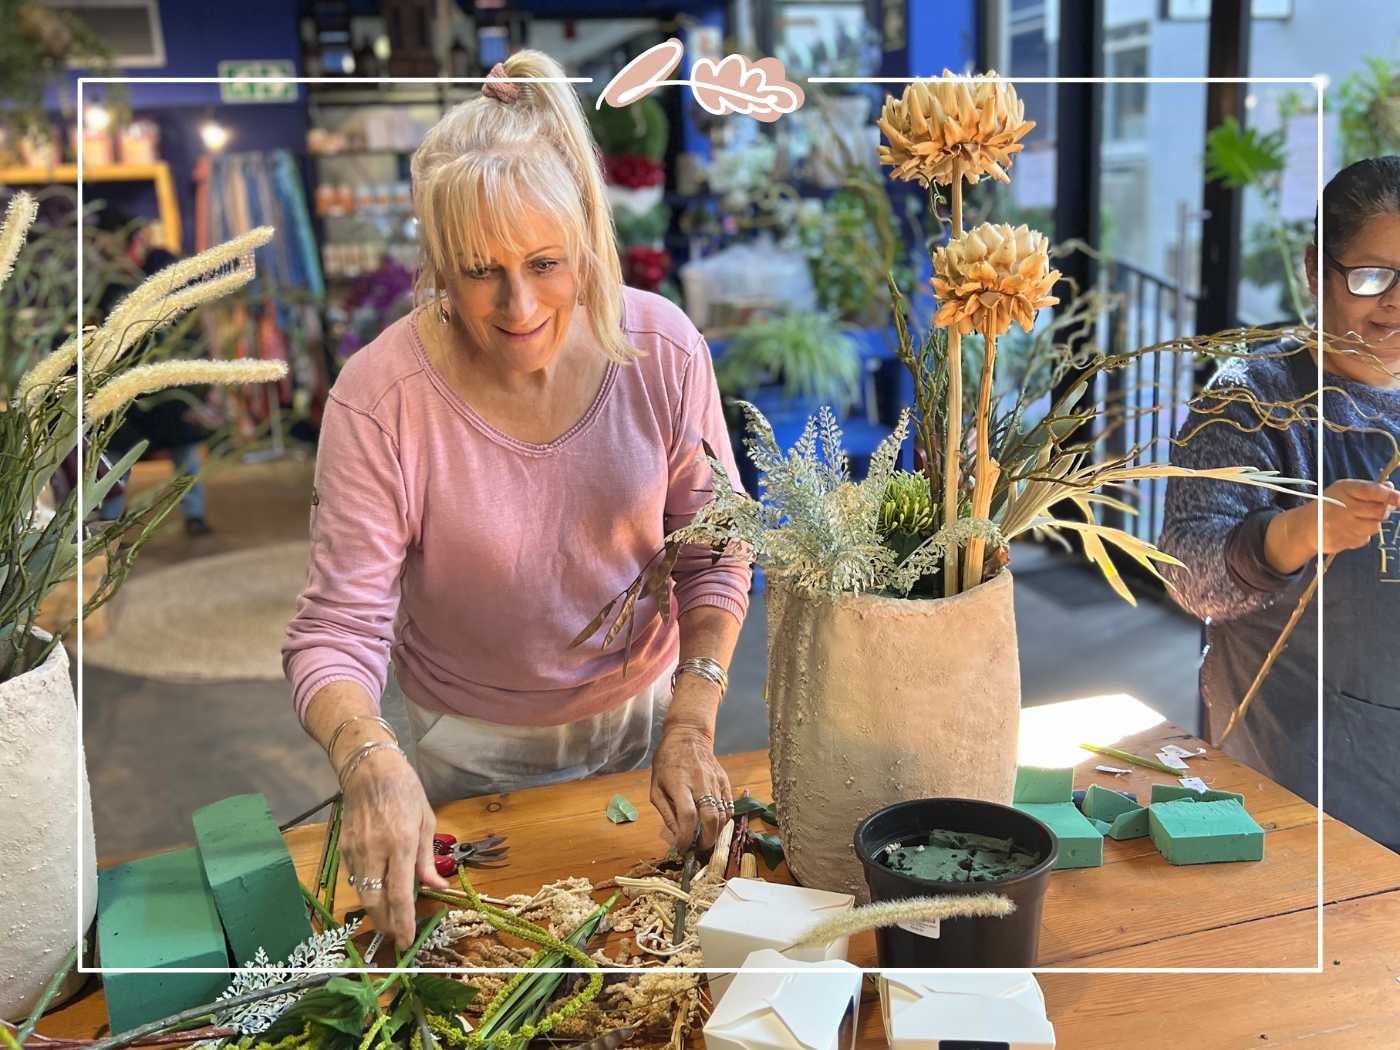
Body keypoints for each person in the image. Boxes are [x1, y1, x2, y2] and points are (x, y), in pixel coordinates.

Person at [281, 51, 751, 948]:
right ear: (436, 266)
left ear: (586, 239)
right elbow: (336, 632)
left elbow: (715, 548)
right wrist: (370, 759)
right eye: (479, 270)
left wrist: (693, 712)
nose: (519, 304)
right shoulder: (382, 400)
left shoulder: (663, 349)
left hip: (652, 713)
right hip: (470, 744)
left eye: (545, 261)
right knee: (496, 959)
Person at [1160, 156, 1400, 854]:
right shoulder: (1254, 399)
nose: (1392, 302)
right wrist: (1293, 533)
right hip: (1296, 770)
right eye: (1370, 276)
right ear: (1313, 270)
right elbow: (1185, 572)